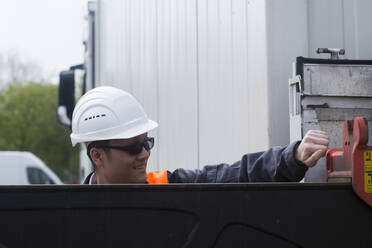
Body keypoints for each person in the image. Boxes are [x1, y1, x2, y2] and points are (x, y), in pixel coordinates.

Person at [70, 86, 329, 184]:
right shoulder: (71, 216)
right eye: (133, 148)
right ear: (97, 156)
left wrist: (292, 157)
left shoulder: (167, 186)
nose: (145, 154)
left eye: (147, 143)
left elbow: (237, 175)